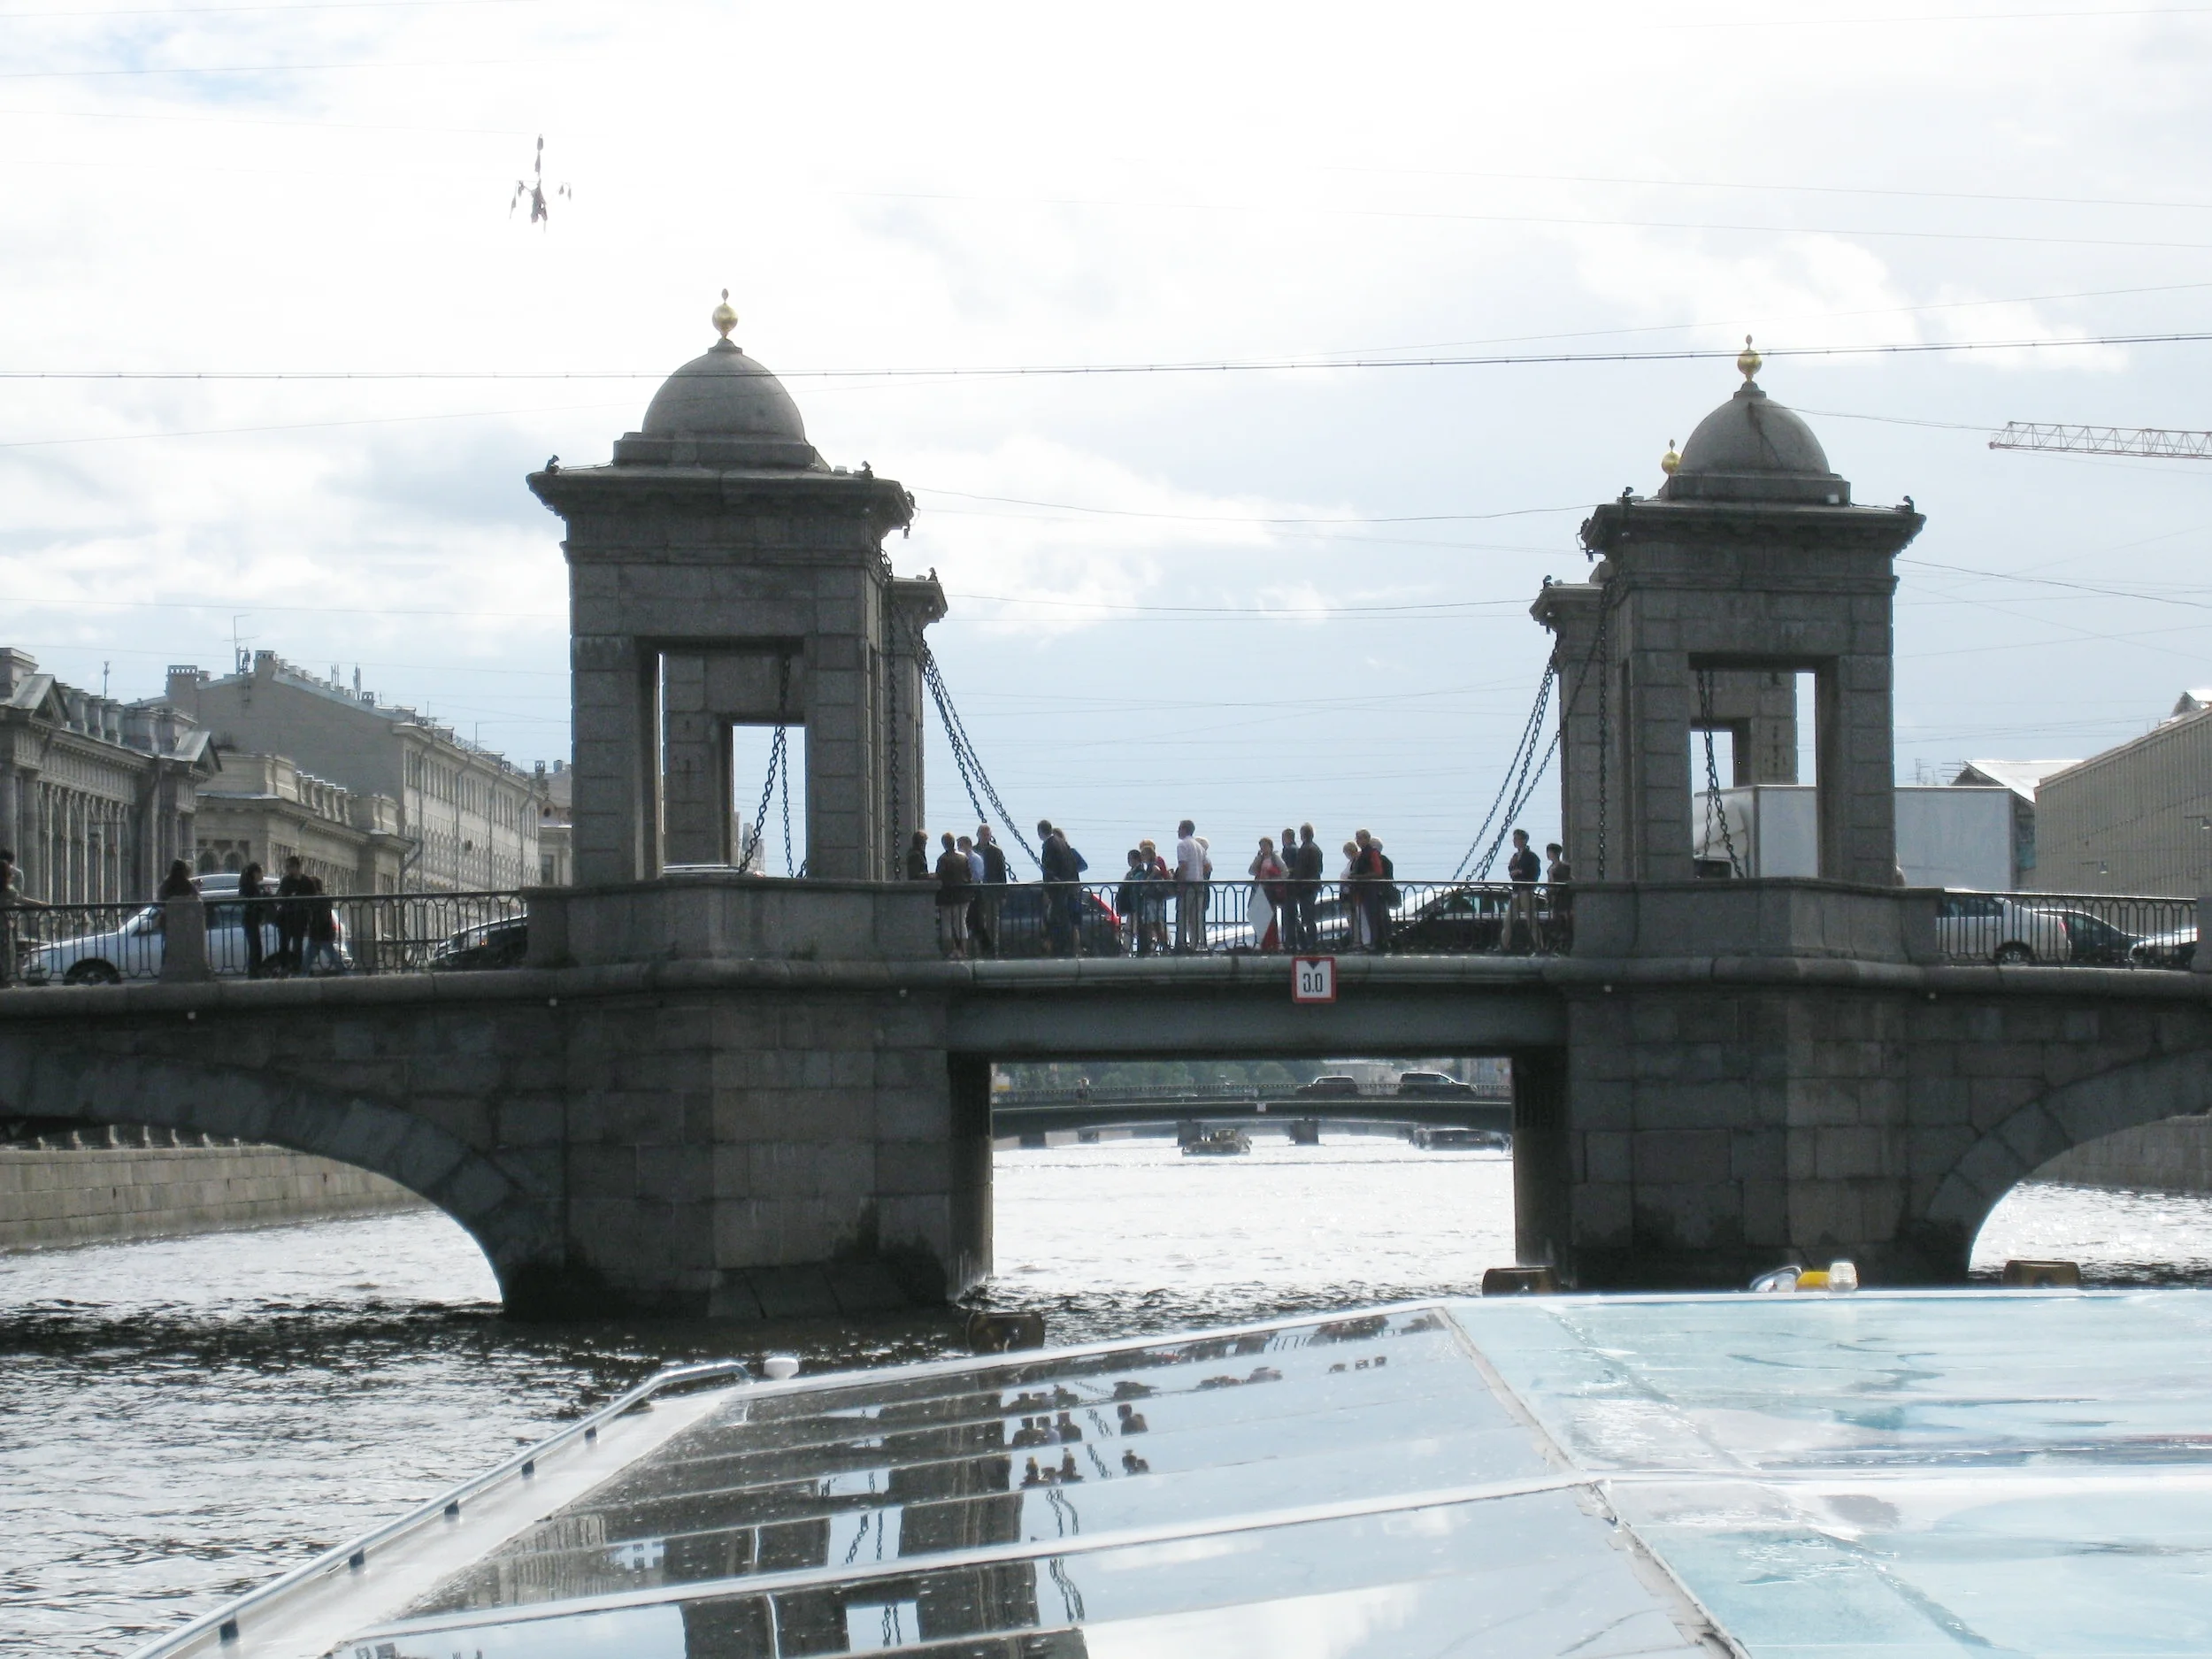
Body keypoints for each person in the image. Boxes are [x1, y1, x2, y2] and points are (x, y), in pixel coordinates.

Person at [1037, 820, 1088, 956]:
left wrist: (1049, 889)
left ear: (1040, 832)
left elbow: (1049, 870)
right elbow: (1071, 865)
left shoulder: (1049, 846)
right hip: (1068, 888)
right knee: (1065, 921)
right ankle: (1067, 949)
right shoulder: (1063, 844)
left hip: (1058, 891)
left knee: (1055, 920)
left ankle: (1057, 950)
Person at [0, 849, 47, 988]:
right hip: (3, 924)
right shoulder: (8, 890)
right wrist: (39, 904)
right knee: (5, 953)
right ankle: (4, 981)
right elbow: (21, 899)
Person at [933, 832, 972, 958]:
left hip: (947, 897)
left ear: (944, 844)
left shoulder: (943, 859)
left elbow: (939, 876)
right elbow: (969, 876)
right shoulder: (963, 858)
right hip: (963, 896)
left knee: (947, 924)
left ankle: (950, 950)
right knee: (961, 923)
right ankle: (963, 950)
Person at [1173, 820, 1210, 953]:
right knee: (1195, 917)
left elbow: (1183, 866)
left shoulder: (1182, 845)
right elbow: (1207, 866)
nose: (1177, 831)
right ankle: (1196, 944)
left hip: (1188, 885)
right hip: (1199, 885)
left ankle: (1181, 944)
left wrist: (1181, 884)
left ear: (1184, 830)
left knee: (1182, 915)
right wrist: (1198, 873)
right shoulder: (1199, 846)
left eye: (1179, 828)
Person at [274, 856, 313, 974]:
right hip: (286, 918)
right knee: (284, 945)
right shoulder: (286, 881)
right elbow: (280, 896)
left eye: (289, 867)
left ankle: (297, 967)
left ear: (297, 867)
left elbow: (312, 899)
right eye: (286, 867)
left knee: (297, 945)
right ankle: (284, 967)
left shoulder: (306, 882)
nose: (287, 870)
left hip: (300, 918)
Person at [1506, 827, 1542, 952]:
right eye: (1514, 838)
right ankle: (1504, 945)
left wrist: (1520, 872)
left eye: (1517, 839)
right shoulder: (1515, 856)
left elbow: (1534, 873)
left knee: (1531, 919)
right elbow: (1511, 871)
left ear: (1524, 840)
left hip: (1526, 890)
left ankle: (1539, 946)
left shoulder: (1531, 856)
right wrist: (1513, 869)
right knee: (1509, 920)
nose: (1514, 841)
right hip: (1516, 890)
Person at [973, 825, 1007, 957]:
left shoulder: (996, 852)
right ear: (978, 835)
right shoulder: (974, 851)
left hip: (992, 893)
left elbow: (1001, 873)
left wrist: (1003, 894)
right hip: (977, 893)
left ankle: (993, 949)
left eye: (987, 835)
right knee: (978, 921)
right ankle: (979, 949)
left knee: (993, 922)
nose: (985, 837)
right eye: (983, 834)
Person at [1249, 837, 1285, 951]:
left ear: (1270, 847)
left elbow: (1285, 872)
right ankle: (1262, 942)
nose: (1263, 849)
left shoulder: (1275, 858)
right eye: (1261, 847)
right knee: (1258, 915)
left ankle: (1274, 943)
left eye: (1265, 846)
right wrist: (1258, 858)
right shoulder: (1260, 858)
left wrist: (1274, 880)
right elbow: (1251, 871)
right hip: (1260, 889)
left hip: (1271, 890)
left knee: (1271, 916)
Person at [303, 874, 342, 974]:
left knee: (331, 956)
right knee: (310, 958)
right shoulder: (320, 898)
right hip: (320, 933)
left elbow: (321, 916)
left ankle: (302, 976)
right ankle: (302, 976)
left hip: (321, 933)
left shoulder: (317, 899)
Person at [1117, 849, 1153, 956]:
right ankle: (1129, 949)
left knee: (1133, 928)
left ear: (1135, 859)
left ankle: (1128, 950)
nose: (1128, 861)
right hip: (1133, 905)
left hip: (1136, 905)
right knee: (1132, 928)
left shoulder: (1139, 873)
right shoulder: (1134, 872)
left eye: (1130, 858)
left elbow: (1135, 887)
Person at [1293, 824, 1323, 949]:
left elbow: (1300, 869)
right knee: (1309, 916)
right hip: (1314, 885)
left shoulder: (1305, 849)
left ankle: (1309, 943)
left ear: (1302, 835)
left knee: (1306, 916)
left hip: (1305, 887)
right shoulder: (1317, 849)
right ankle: (1311, 942)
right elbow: (1320, 869)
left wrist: (1296, 884)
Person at [237, 861, 268, 979]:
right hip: (251, 920)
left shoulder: (249, 885)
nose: (262, 875)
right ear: (255, 873)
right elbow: (253, 903)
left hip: (251, 920)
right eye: (261, 872)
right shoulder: (250, 887)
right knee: (255, 947)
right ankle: (254, 973)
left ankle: (254, 972)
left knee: (255, 947)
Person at [1545, 842, 1573, 954]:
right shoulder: (1551, 868)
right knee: (1556, 921)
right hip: (1555, 898)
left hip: (1562, 897)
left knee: (1564, 921)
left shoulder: (1563, 867)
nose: (1548, 854)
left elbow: (1565, 881)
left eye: (1550, 852)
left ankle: (1564, 946)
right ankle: (1558, 946)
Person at [1340, 840, 1368, 950]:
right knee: (1351, 920)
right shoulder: (1351, 862)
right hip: (1347, 895)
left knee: (1355, 920)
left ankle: (1358, 942)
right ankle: (1356, 941)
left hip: (1351, 895)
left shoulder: (1356, 861)